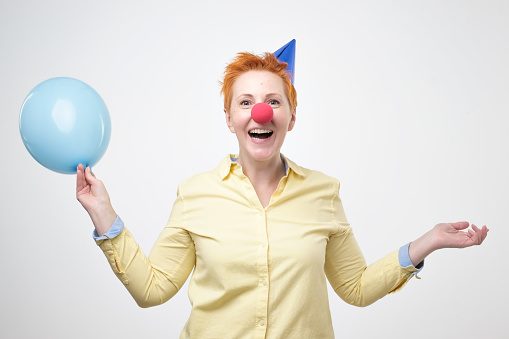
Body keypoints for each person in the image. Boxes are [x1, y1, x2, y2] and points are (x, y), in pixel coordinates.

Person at [76, 42, 489, 338]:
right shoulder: (194, 194)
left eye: (274, 101)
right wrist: (104, 216)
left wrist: (428, 242)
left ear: (291, 118)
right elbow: (152, 289)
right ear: (229, 118)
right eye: (247, 102)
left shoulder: (324, 193)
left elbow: (356, 288)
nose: (261, 111)